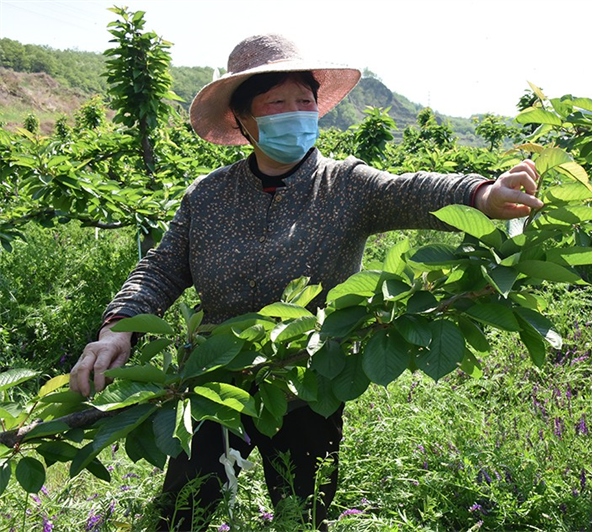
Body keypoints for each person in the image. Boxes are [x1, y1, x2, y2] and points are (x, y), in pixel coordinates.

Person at [69, 34, 542, 531]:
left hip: (308, 382)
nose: (295, 112)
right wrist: (118, 328)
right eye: (276, 103)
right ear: (243, 119)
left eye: (304, 100)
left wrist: (482, 195)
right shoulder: (208, 197)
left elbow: (413, 190)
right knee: (185, 510)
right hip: (213, 381)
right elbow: (162, 268)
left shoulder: (346, 186)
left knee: (302, 512)